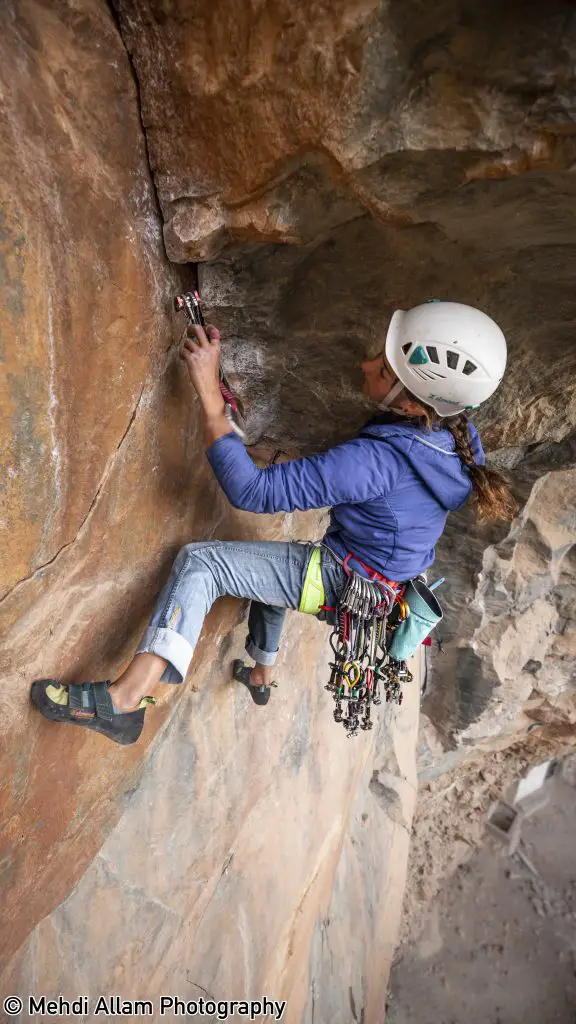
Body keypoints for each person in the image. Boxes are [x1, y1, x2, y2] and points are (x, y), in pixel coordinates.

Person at [31, 301, 517, 744]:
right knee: (274, 576)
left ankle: (124, 701)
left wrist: (209, 392)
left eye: (384, 368)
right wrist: (287, 457)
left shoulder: (376, 462)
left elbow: (251, 493)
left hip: (343, 580)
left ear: (411, 402)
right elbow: (372, 484)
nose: (368, 364)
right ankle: (261, 675)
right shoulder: (453, 435)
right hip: (385, 586)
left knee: (203, 564)